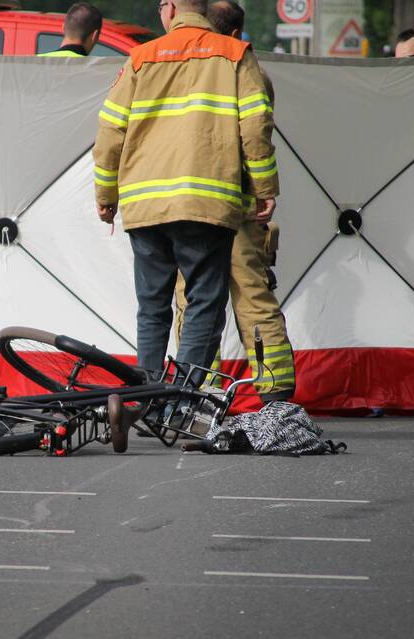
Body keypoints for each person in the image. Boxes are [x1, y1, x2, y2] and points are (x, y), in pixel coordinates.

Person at [92, 0, 278, 386]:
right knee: (204, 303)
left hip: (145, 205)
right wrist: (264, 187)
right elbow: (256, 124)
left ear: (171, 8)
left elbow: (110, 131)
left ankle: (144, 398)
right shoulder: (234, 55)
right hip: (206, 202)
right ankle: (181, 401)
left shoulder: (140, 58)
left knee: (152, 306)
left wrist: (106, 194)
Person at [173, 0, 296, 402]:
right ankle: (275, 393)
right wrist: (264, 191)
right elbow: (257, 136)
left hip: (195, 205)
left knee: (194, 301)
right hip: (240, 205)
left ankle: (201, 395)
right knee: (254, 297)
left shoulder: (205, 67)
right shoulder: (252, 72)